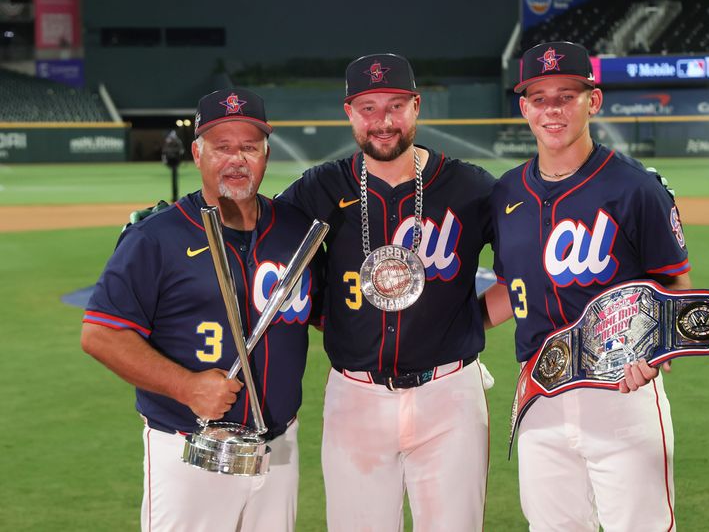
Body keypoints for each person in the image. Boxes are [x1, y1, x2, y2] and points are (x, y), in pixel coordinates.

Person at [81, 88, 321, 532]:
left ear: (267, 153)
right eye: (222, 147)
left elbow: (325, 315)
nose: (236, 159)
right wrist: (186, 386)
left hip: (279, 450)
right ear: (197, 152)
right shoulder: (156, 237)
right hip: (189, 451)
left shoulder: (294, 230)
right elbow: (100, 334)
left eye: (249, 147)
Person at [276, 53, 495, 531]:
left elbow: (527, 275)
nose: (383, 121)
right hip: (356, 396)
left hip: (449, 394)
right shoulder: (319, 188)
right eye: (368, 107)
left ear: (416, 106)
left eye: (395, 105)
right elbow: (260, 254)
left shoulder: (470, 187)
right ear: (348, 112)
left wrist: (469, 320)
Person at [482, 41, 692, 531]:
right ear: (524, 107)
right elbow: (514, 288)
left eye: (566, 95)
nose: (552, 109)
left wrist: (652, 353)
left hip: (619, 393)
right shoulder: (507, 192)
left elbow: (676, 289)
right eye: (539, 97)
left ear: (592, 101)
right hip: (539, 395)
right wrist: (452, 330)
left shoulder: (636, 188)